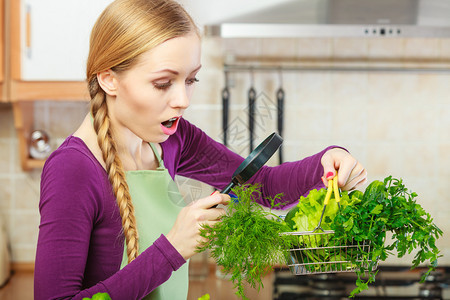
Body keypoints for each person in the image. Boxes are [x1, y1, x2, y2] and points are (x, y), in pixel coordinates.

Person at [34, 0, 367, 299]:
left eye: (190, 80)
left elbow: (263, 186)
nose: (183, 101)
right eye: (163, 83)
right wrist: (174, 248)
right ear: (109, 79)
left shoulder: (171, 138)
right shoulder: (74, 170)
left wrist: (326, 162)